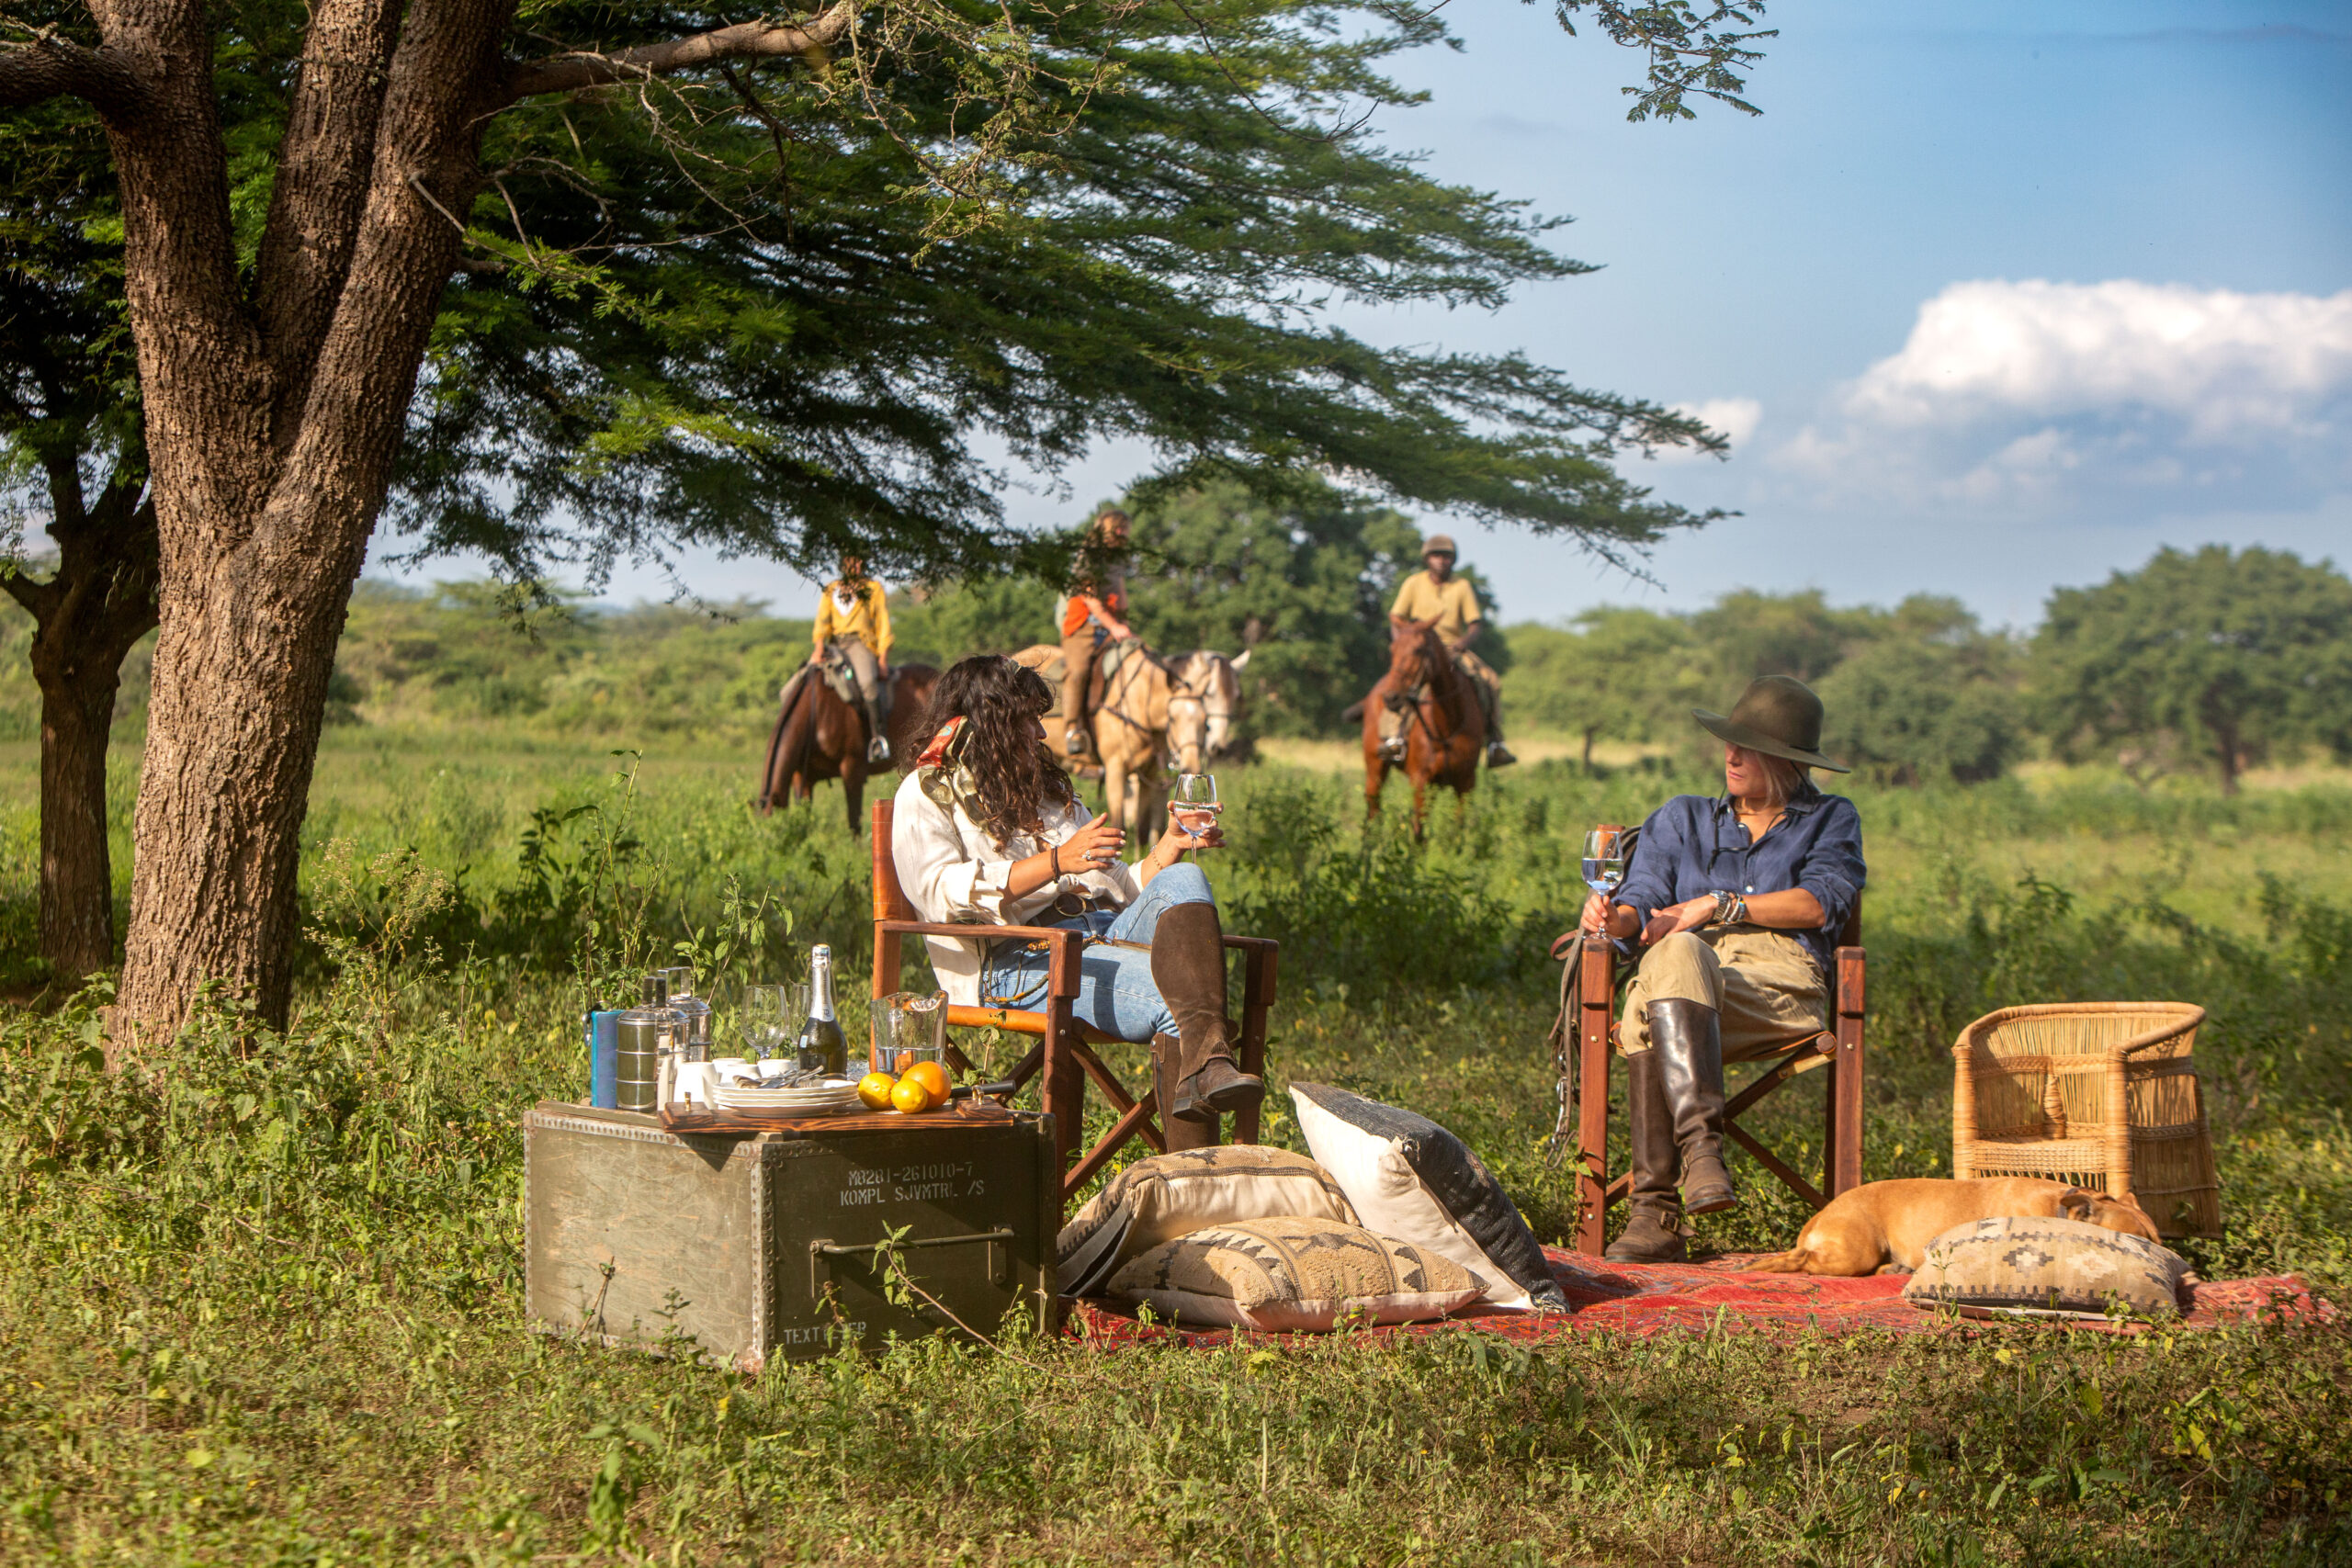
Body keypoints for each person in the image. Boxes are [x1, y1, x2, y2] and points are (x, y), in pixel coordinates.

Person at [891, 655, 1262, 1145]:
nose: (1041, 735)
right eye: (1027, 719)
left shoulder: (1047, 793)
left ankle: (1207, 1067)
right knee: (1182, 1001)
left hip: (1101, 934)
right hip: (1017, 961)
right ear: (990, 724)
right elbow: (940, 894)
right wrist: (1056, 862)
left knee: (1185, 878)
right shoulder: (926, 793)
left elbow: (1123, 888)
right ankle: (1195, 1181)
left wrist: (1169, 846)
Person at [1575, 675, 1866, 1264]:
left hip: (1775, 986)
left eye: (1748, 746)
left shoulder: (1829, 818)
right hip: (1680, 979)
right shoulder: (1681, 817)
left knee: (1648, 1006)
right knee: (1675, 957)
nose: (1730, 755)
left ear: (1786, 760)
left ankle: (1653, 1210)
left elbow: (1822, 903)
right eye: (1728, 742)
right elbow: (1643, 904)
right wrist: (1614, 918)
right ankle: (1703, 1153)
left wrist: (1719, 904)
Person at [1384, 535, 1514, 768]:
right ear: (1427, 559)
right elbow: (1396, 618)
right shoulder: (1413, 583)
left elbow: (1475, 623)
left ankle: (1496, 742)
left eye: (1446, 556)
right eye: (1436, 556)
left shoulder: (1461, 586)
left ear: (1453, 561)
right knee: (1398, 683)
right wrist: (1403, 645)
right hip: (1420, 649)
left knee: (1491, 680)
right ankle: (1395, 738)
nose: (1441, 561)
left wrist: (1464, 642)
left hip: (1452, 648)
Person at [778, 553, 895, 762]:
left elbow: (883, 623)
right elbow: (822, 620)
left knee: (868, 683)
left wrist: (883, 658)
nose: (856, 565)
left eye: (859, 560)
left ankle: (879, 738)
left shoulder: (873, 588)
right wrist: (818, 648)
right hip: (834, 645)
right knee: (795, 684)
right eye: (852, 560)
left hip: (860, 643)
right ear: (843, 563)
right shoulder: (831, 589)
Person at [1056, 508, 1136, 761]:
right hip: (1083, 627)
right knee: (1078, 670)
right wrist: (1113, 625)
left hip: (1111, 624)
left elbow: (1119, 589)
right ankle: (1073, 729)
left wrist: (1124, 619)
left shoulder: (1118, 560)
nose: (1122, 533)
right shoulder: (1089, 557)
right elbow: (1090, 599)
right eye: (1118, 528)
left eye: (1125, 529)